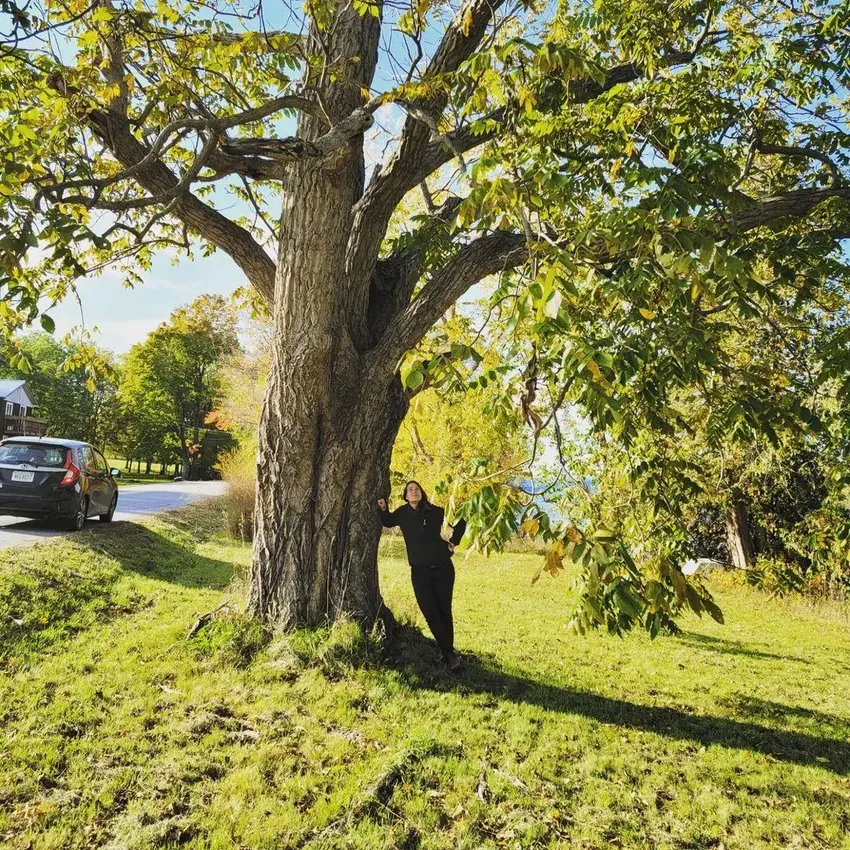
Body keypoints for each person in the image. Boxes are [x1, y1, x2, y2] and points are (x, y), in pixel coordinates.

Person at [378, 481, 466, 671]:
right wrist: (383, 508)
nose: (414, 491)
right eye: (410, 490)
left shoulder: (435, 511)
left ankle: (448, 654)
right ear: (406, 496)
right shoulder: (402, 513)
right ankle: (448, 652)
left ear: (422, 493)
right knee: (431, 613)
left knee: (444, 611)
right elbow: (387, 521)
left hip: (443, 568)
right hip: (420, 572)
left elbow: (461, 520)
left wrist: (454, 542)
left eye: (417, 488)